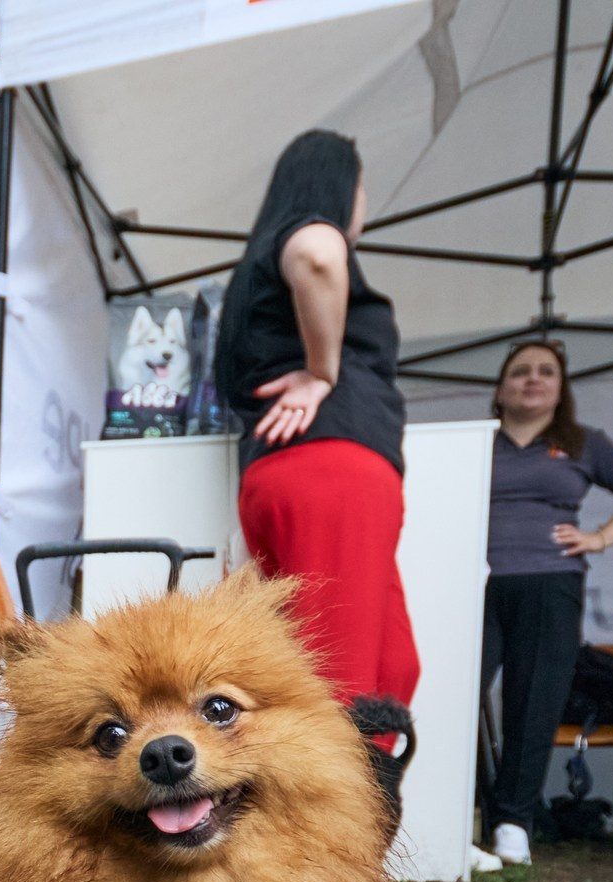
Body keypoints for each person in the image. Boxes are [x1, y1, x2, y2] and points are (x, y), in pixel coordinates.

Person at [214, 131, 416, 811]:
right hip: (331, 473)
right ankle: (327, 843)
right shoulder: (306, 233)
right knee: (343, 679)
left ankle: (352, 826)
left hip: (296, 477)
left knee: (388, 666)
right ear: (340, 186)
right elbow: (320, 254)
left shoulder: (256, 270)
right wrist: (323, 371)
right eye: (361, 187)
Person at [480, 340, 613, 864]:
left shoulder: (583, 442)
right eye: (520, 371)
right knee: (458, 696)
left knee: (534, 700)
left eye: (546, 372)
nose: (533, 379)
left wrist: (602, 537)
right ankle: (466, 809)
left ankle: (513, 822)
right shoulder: (478, 441)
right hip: (477, 583)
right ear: (500, 388)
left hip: (551, 581)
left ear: (561, 390)